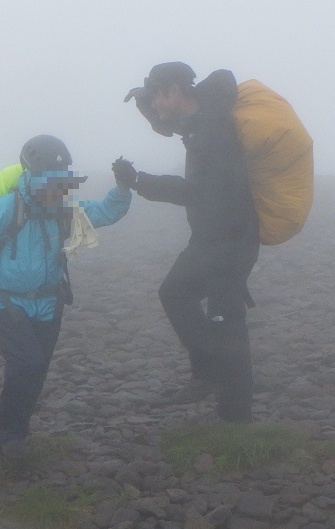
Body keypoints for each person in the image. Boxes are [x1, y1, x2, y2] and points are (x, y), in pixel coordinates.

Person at [0, 135, 131, 458]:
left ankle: (16, 435)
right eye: (49, 181)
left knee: (36, 369)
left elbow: (103, 213)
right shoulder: (6, 207)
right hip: (4, 301)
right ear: (30, 175)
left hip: (49, 302)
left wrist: (123, 189)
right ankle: (6, 436)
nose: (56, 189)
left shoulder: (63, 209)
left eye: (61, 182)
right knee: (27, 362)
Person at [115, 62, 260, 423]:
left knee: (223, 320)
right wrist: (142, 101)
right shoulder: (197, 122)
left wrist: (139, 180)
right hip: (212, 236)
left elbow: (195, 192)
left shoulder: (212, 131)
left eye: (158, 97)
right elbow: (166, 122)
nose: (156, 106)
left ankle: (234, 416)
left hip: (230, 238)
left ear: (176, 91)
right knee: (183, 297)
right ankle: (210, 379)